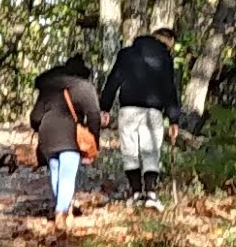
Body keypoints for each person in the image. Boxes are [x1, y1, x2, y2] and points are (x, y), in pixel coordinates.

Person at [104, 20, 181, 200]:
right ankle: (151, 193)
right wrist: (174, 118)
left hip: (128, 108)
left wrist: (104, 107)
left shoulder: (126, 54)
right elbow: (169, 89)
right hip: (153, 111)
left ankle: (136, 191)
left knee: (129, 150)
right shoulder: (165, 59)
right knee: (151, 151)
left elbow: (113, 80)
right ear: (168, 42)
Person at [29, 58, 103, 229]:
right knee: (67, 175)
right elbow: (94, 116)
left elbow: (35, 117)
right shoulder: (85, 88)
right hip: (70, 136)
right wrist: (94, 141)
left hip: (47, 136)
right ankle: (61, 211)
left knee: (56, 171)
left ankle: (61, 207)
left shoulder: (49, 88)